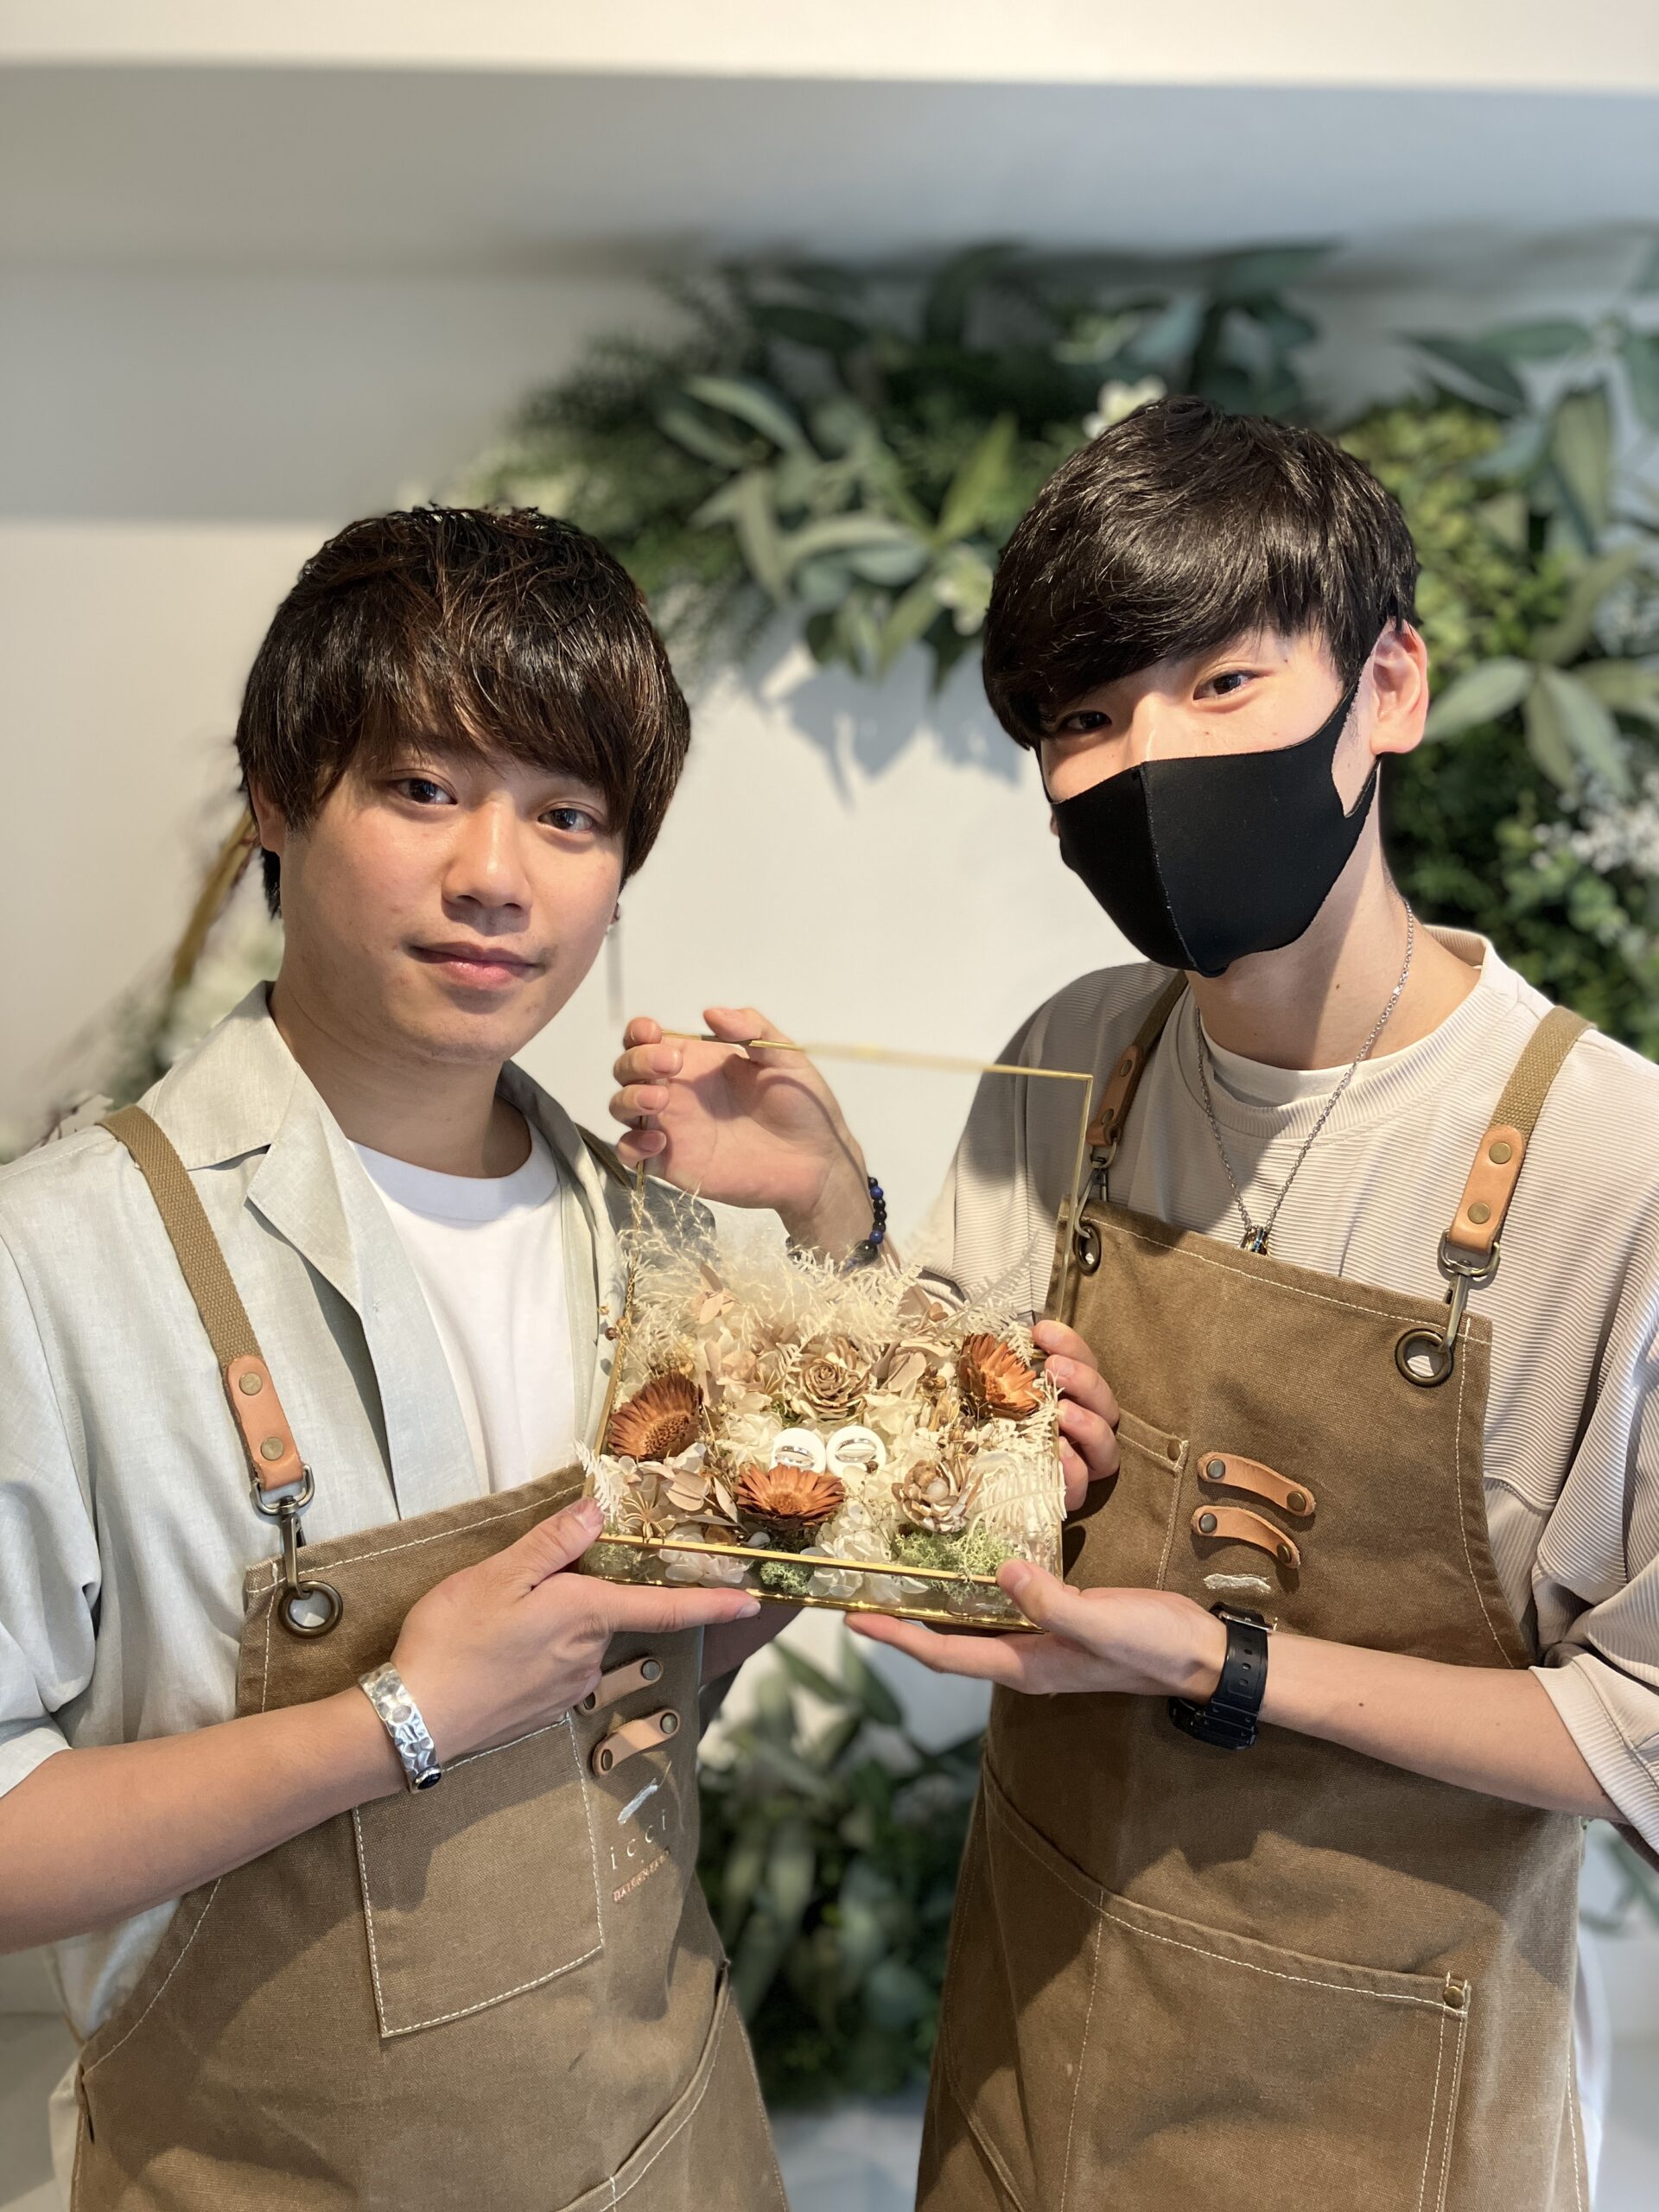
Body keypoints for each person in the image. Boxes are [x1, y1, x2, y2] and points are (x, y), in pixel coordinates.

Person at [607, 398, 1659, 2210]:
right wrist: (834, 1202)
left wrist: (1218, 1659)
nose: (1147, 761)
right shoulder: (1086, 1053)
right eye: (1084, 720)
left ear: (1389, 687)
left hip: (1384, 2092)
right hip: (1040, 2025)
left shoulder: (1608, 1161)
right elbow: (934, 1479)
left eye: (1223, 684)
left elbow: (1642, 1720)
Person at [0, 509, 792, 2212]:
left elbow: (669, 1677)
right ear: (277, 799)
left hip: (676, 2153)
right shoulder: (54, 1260)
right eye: (425, 788)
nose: (497, 874)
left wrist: (847, 1265)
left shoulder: (667, 1246)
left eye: (569, 814)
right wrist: (401, 1716)